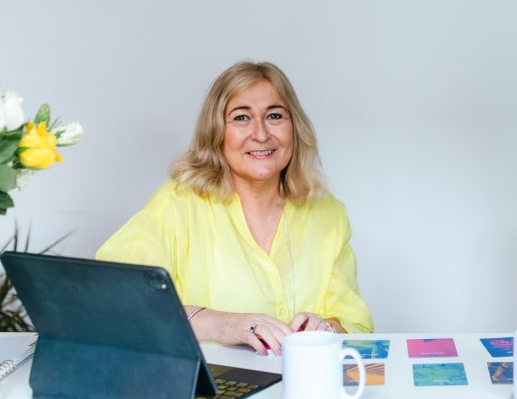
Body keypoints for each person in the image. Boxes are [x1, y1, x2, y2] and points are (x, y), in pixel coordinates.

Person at [97, 61, 373, 354]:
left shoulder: (328, 214)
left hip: (304, 392)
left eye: (275, 116)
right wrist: (222, 324)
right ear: (217, 133)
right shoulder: (177, 204)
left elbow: (355, 324)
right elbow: (114, 300)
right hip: (209, 391)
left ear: (294, 127)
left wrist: (326, 328)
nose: (261, 134)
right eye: (241, 118)